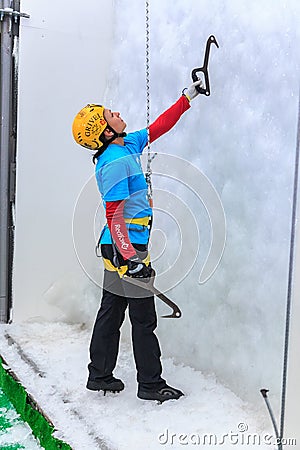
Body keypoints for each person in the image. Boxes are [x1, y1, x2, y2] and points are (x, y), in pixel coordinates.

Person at [72, 78, 203, 402]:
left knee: (111, 311)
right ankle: (150, 384)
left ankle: (99, 375)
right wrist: (131, 259)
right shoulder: (115, 163)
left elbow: (159, 127)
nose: (115, 112)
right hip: (124, 247)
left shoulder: (125, 146)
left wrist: (187, 97)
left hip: (116, 248)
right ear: (105, 132)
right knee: (142, 319)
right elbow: (114, 215)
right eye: (108, 114)